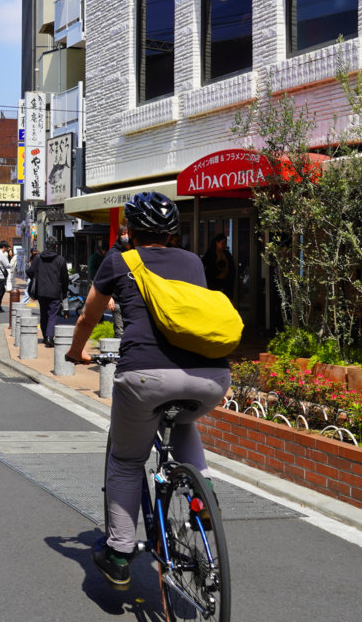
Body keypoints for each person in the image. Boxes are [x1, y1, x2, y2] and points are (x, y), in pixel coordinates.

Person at [65, 192, 232, 590]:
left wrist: (75, 352)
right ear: (173, 233)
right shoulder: (192, 262)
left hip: (144, 377)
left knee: (125, 460)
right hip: (210, 377)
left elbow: (90, 314)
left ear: (130, 231)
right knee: (186, 424)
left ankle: (120, 553)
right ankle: (205, 509)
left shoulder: (119, 261)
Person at [28, 237, 69, 347]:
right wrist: (64, 292)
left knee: (44, 313)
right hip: (55, 291)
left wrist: (37, 276)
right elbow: (65, 278)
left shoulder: (38, 258)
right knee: (52, 314)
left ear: (46, 246)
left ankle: (46, 337)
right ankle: (50, 337)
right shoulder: (60, 260)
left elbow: (30, 272)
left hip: (41, 291)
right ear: (56, 246)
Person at [202, 233, 234, 297]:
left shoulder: (226, 253)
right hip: (214, 281)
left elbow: (231, 266)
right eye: (222, 243)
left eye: (225, 243)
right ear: (217, 243)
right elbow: (204, 263)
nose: (224, 245)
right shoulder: (211, 253)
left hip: (225, 281)